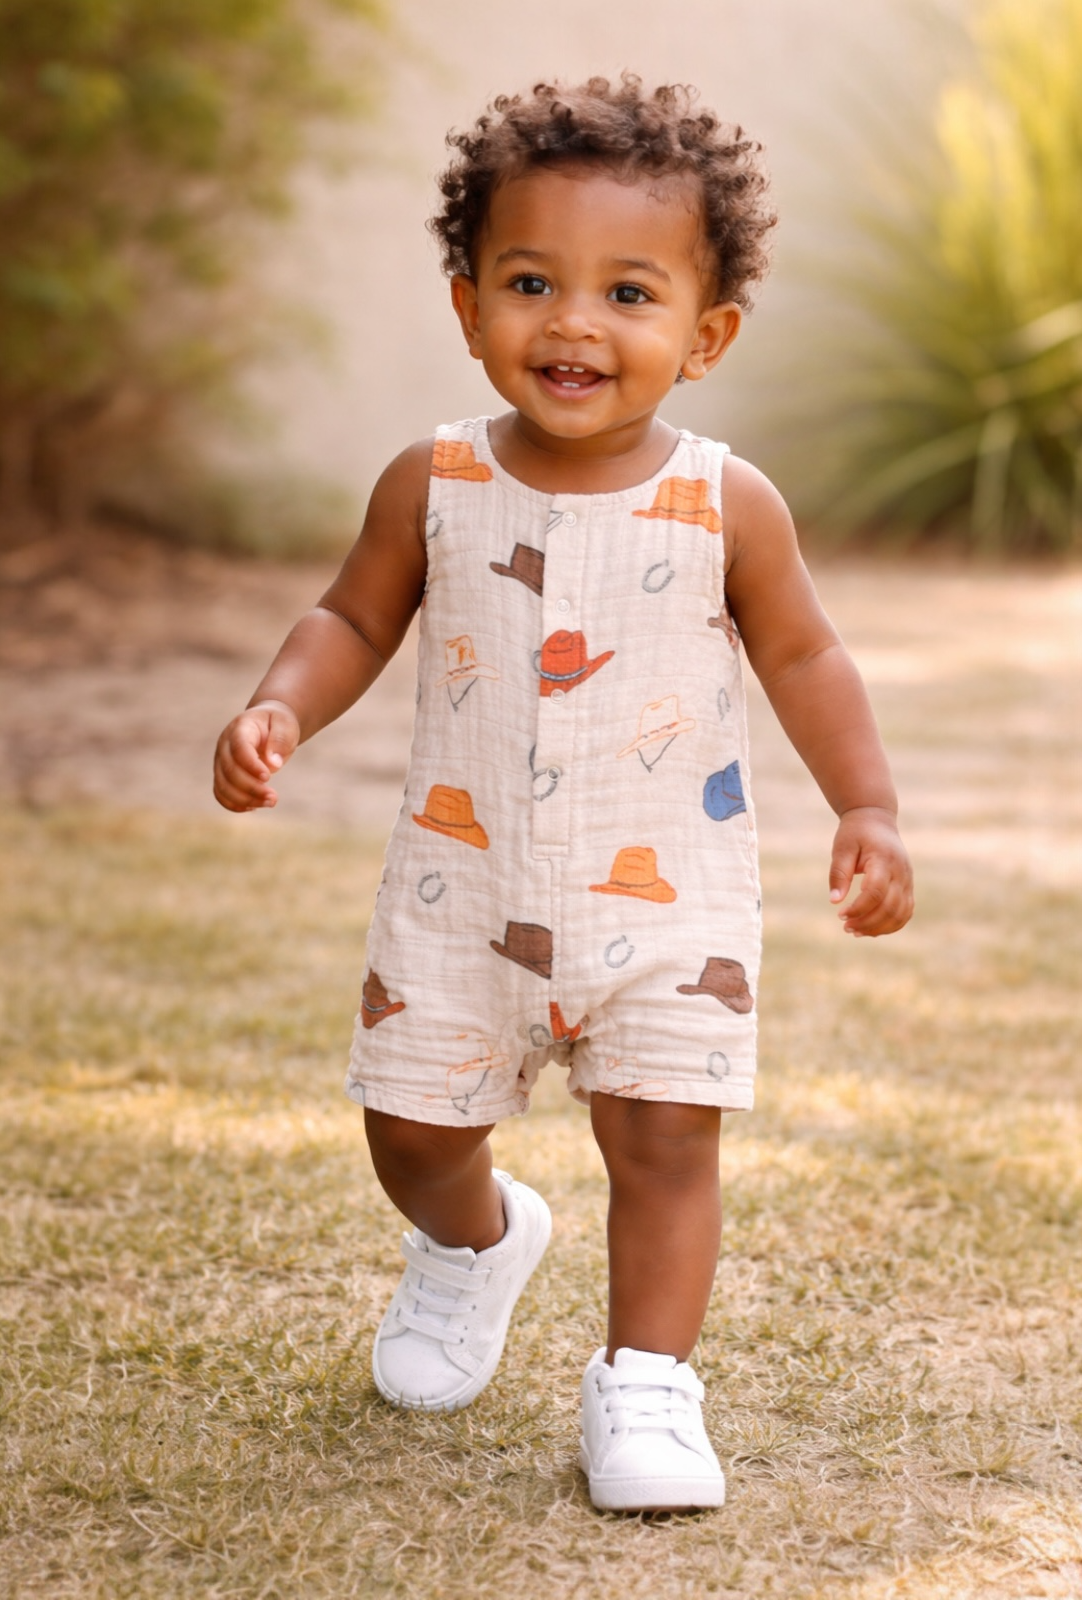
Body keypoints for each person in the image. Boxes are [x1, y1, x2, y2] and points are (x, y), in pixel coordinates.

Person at [213, 75, 913, 1513]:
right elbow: (351, 621)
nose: (575, 324)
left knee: (664, 1137)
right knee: (410, 1129)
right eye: (531, 281)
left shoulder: (730, 503)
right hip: (458, 888)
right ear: (469, 306)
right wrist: (283, 701)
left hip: (670, 896)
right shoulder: (435, 481)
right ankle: (473, 1242)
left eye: (629, 293)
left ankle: (647, 1386)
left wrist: (869, 806)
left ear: (705, 337)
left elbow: (807, 654)